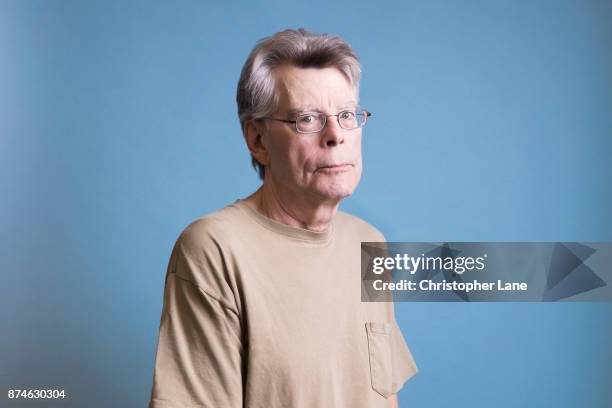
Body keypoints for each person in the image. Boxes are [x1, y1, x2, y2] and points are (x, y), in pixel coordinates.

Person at [148, 28, 417, 408]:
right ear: (257, 141)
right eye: (307, 119)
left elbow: (385, 396)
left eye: (346, 115)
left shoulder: (368, 245)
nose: (335, 135)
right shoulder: (214, 250)